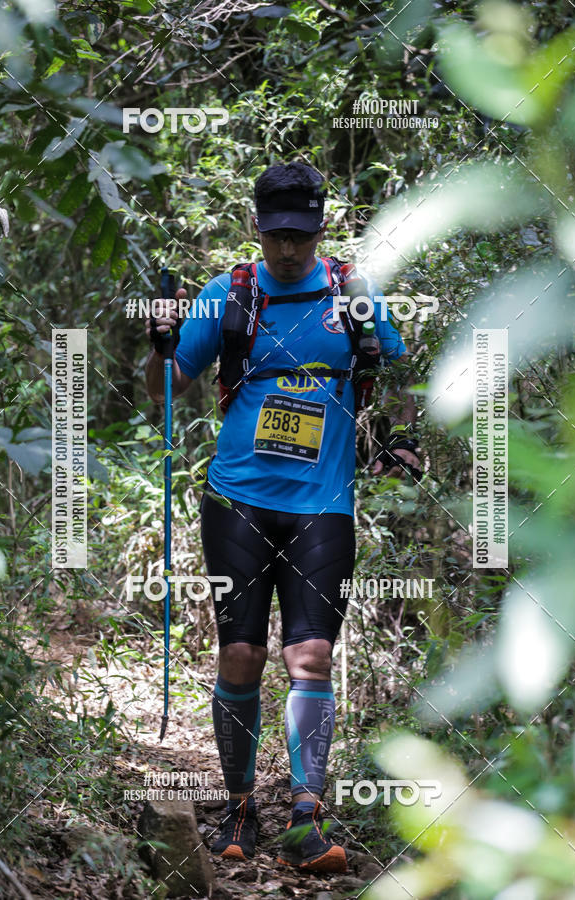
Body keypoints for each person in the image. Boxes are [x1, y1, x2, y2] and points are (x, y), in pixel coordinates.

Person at [144, 161, 420, 874]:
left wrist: (396, 440)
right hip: (237, 497)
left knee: (313, 656)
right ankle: (238, 808)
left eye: (300, 235)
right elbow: (169, 390)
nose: (288, 249)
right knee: (241, 654)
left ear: (321, 227)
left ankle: (306, 815)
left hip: (323, 504)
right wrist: (161, 343)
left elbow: (394, 369)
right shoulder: (227, 295)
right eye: (276, 235)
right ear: (256, 226)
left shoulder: (352, 294)